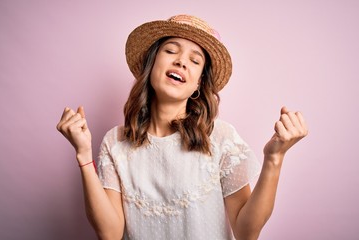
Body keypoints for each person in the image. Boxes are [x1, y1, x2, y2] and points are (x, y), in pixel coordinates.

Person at [57, 14, 308, 240]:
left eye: (194, 60)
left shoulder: (221, 138)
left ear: (198, 84)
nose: (181, 62)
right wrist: (83, 155)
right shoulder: (116, 142)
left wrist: (274, 158)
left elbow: (246, 232)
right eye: (171, 51)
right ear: (152, 64)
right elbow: (109, 234)